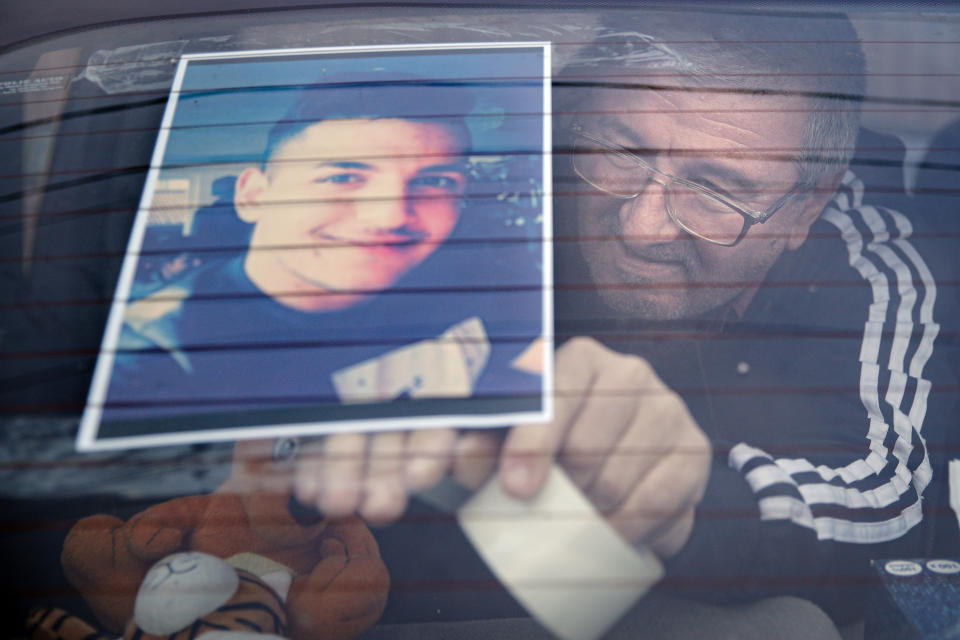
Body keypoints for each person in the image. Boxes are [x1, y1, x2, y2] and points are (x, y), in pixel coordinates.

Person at [292, 11, 958, 633]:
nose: (641, 225)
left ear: (804, 204)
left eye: (717, 190)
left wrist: (681, 495)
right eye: (621, 153)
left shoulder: (869, 260)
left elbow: (889, 504)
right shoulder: (483, 201)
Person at [100, 73, 543, 442]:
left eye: (436, 182)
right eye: (343, 176)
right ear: (254, 196)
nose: (390, 216)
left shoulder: (474, 284)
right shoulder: (152, 353)